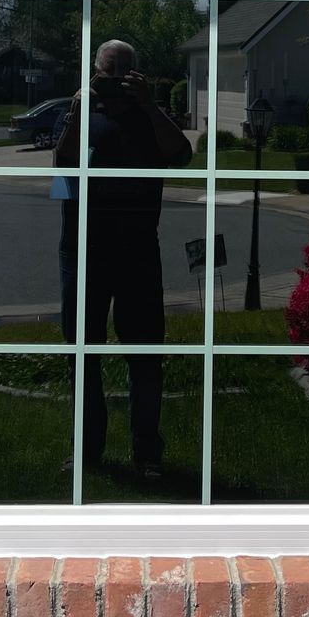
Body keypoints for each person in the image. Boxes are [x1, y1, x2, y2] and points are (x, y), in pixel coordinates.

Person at [55, 38, 193, 479]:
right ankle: (88, 452)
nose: (115, 84)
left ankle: (147, 453)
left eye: (124, 74)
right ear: (94, 72)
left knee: (146, 351)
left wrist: (150, 106)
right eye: (108, 74)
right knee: (83, 351)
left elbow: (183, 156)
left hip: (138, 249)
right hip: (83, 248)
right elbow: (61, 168)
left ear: (139, 75)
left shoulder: (148, 116)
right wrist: (79, 111)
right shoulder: (80, 112)